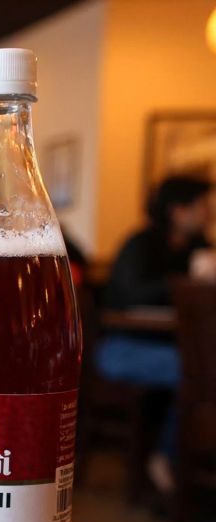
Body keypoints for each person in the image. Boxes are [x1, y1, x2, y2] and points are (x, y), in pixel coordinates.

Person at [98, 175, 214, 490]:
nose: (209, 213)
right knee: (198, 372)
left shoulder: (200, 247)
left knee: (199, 367)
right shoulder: (141, 244)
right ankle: (167, 458)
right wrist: (188, 278)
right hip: (122, 347)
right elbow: (135, 294)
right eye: (203, 206)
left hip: (172, 347)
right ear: (179, 210)